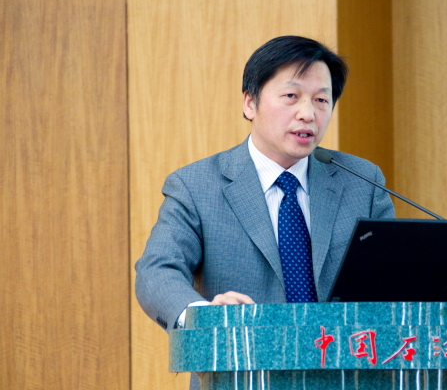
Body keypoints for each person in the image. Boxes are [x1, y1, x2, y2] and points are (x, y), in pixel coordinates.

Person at [135, 35, 394, 336]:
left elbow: (392, 279)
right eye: (291, 96)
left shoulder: (362, 182)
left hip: (342, 361)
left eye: (321, 100)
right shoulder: (196, 187)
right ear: (250, 103)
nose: (308, 114)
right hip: (242, 359)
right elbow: (157, 271)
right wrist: (204, 317)